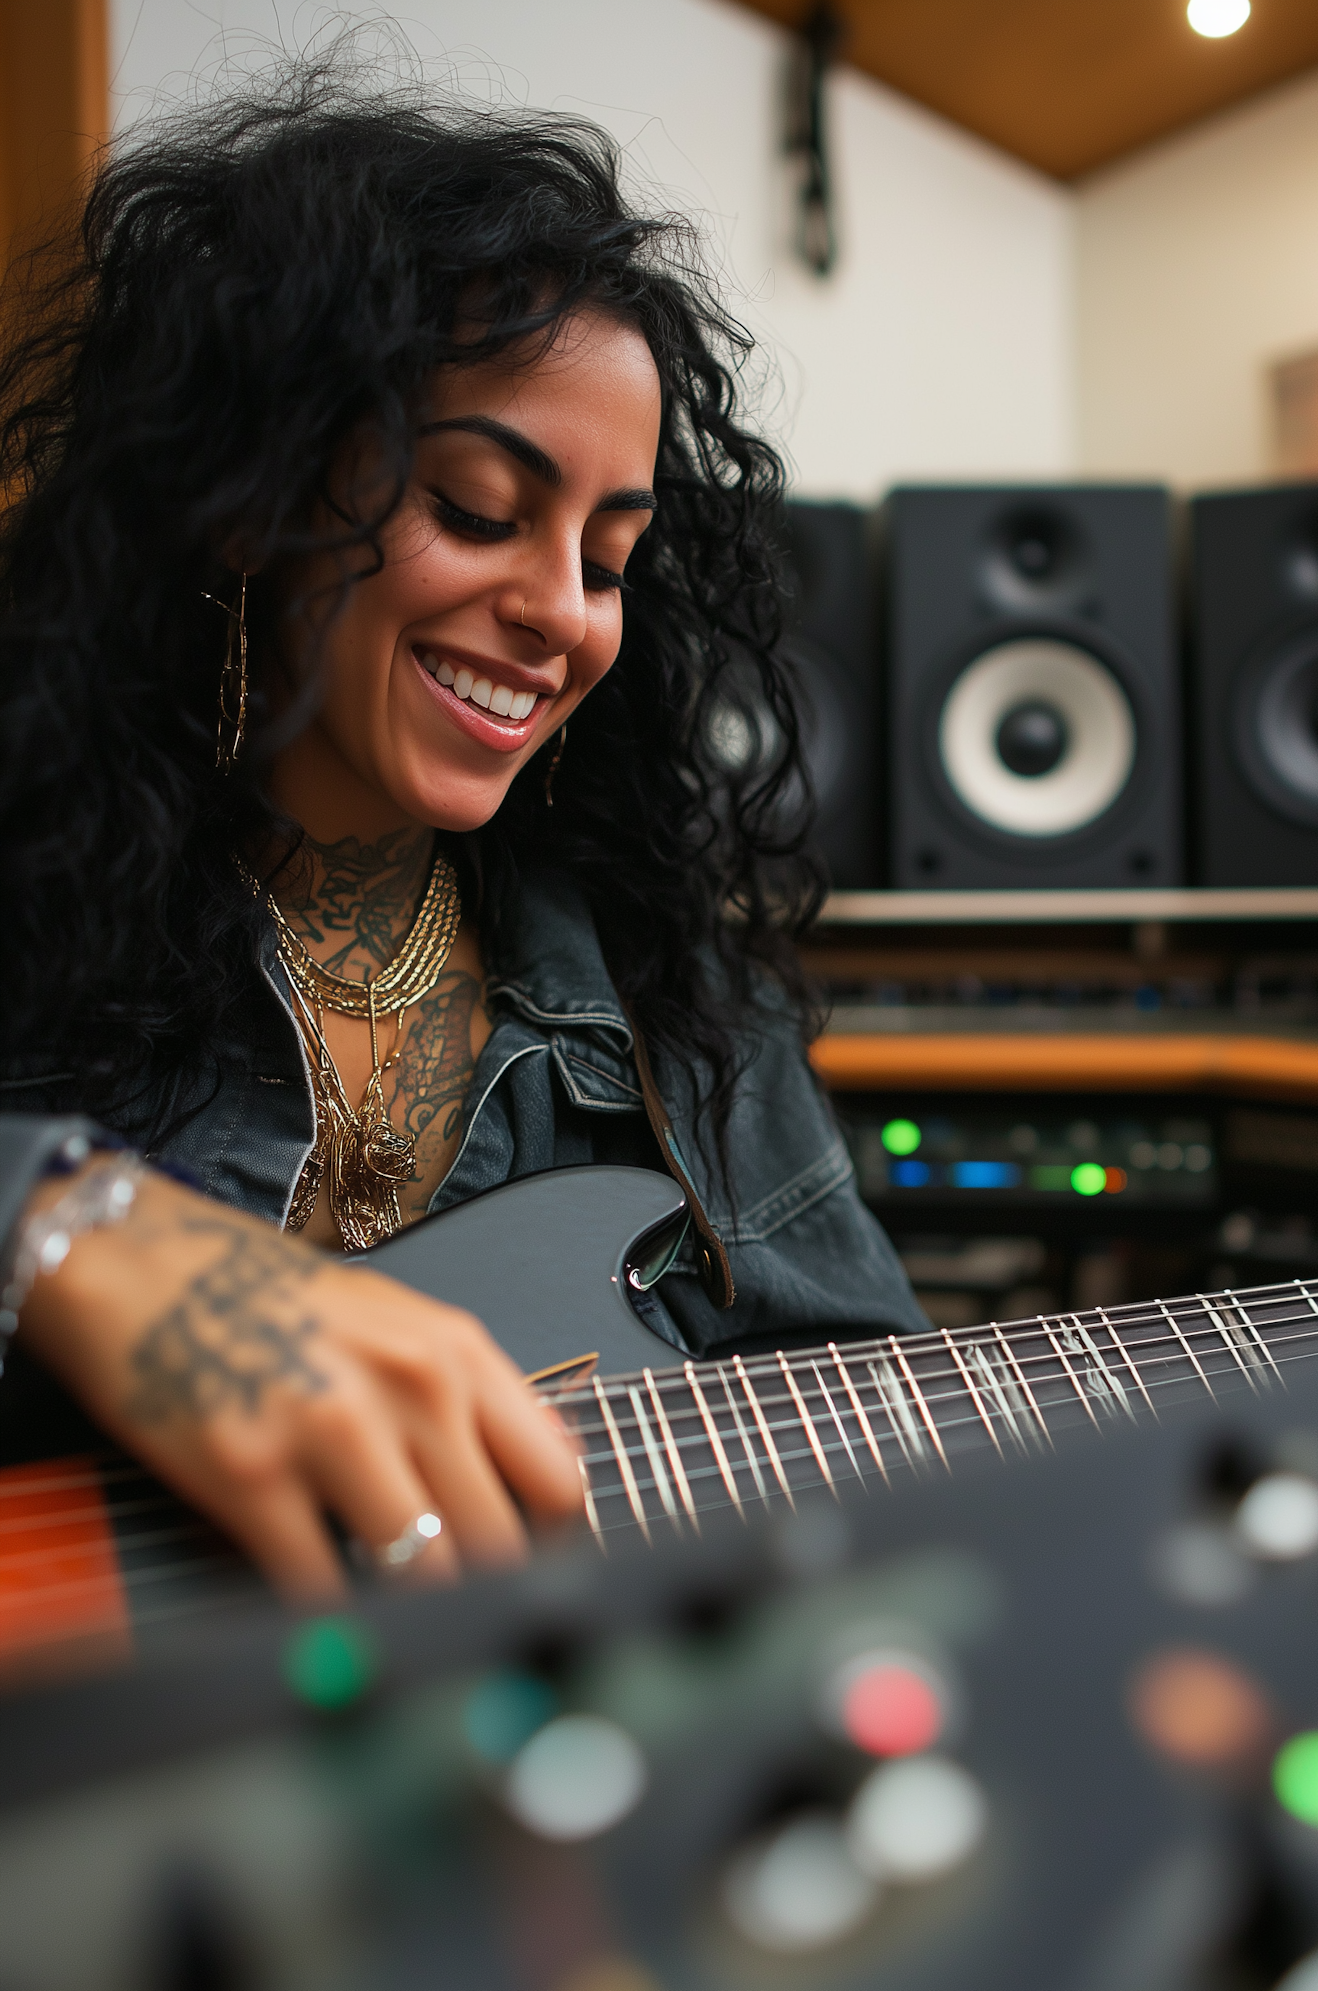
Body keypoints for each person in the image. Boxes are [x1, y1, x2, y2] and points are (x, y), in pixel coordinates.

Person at [0, 62, 926, 1601]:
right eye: (484, 509)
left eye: (611, 556)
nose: (563, 612)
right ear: (247, 497)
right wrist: (62, 1223)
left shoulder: (672, 993)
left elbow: (881, 1424)